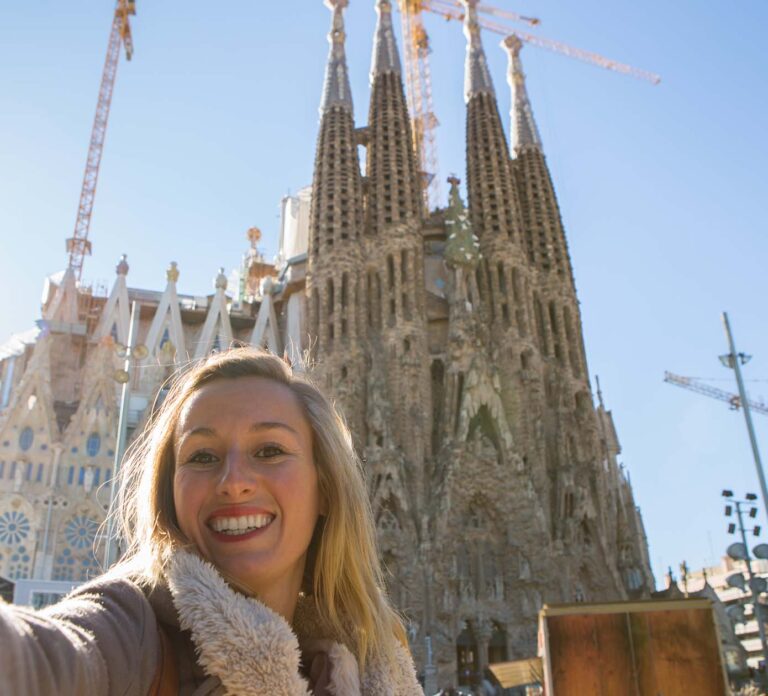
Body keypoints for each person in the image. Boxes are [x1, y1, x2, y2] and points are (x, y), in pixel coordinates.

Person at [0, 348, 422, 695]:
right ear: (171, 493)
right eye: (202, 457)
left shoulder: (362, 668)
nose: (233, 482)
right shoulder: (131, 633)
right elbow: (45, 659)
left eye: (270, 450)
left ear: (326, 487)